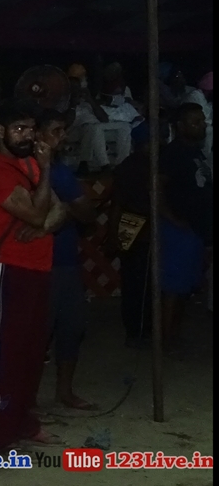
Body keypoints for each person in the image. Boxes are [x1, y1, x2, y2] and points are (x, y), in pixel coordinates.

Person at [0, 99, 66, 451]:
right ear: (0, 131)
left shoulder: (25, 163)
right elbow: (39, 212)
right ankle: (0, 435)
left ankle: (24, 423)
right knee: (6, 356)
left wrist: (43, 227)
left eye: (30, 129)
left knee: (31, 352)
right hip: (9, 268)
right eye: (19, 129)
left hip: (38, 266)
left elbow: (59, 210)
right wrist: (42, 217)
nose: (27, 135)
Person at [37, 110, 97, 409]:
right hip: (39, 263)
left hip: (65, 261)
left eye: (63, 130)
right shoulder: (31, 170)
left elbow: (87, 214)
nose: (63, 137)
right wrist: (68, 208)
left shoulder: (61, 171)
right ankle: (27, 397)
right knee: (38, 332)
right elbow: (80, 211)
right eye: (56, 131)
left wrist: (63, 209)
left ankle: (64, 391)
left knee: (71, 328)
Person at [158, 103, 212, 356]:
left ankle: (174, 336)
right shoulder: (173, 153)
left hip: (196, 230)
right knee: (173, 288)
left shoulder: (196, 152)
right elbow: (156, 187)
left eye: (202, 121)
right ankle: (165, 342)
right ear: (180, 126)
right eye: (195, 122)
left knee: (185, 288)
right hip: (179, 230)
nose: (201, 126)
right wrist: (171, 218)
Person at [106, 123, 154, 346]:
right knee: (138, 284)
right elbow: (117, 203)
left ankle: (139, 330)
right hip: (137, 227)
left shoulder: (132, 166)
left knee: (136, 282)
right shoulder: (134, 168)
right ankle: (137, 332)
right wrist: (113, 235)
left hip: (132, 226)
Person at [64, 64, 132, 173]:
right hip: (74, 131)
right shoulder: (64, 99)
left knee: (125, 127)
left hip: (96, 131)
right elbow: (66, 123)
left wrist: (90, 100)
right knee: (93, 128)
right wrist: (73, 103)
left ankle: (122, 164)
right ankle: (103, 165)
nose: (83, 81)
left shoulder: (87, 99)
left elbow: (104, 119)